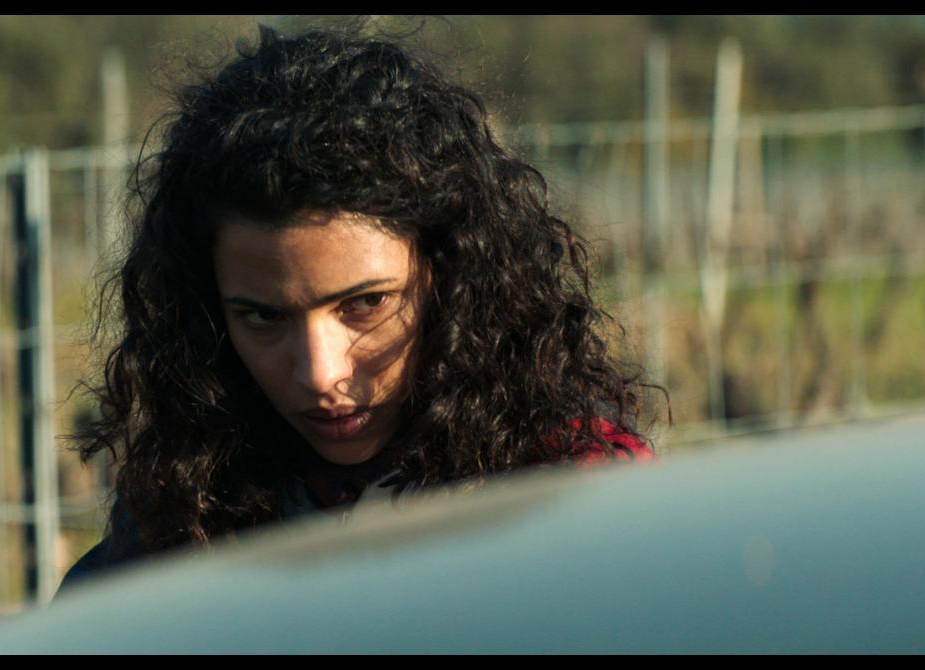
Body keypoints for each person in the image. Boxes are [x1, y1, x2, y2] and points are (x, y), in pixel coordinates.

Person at [59, 25, 661, 594]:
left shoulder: (577, 493)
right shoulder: (186, 505)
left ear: (451, 277)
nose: (320, 375)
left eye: (366, 304)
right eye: (263, 317)